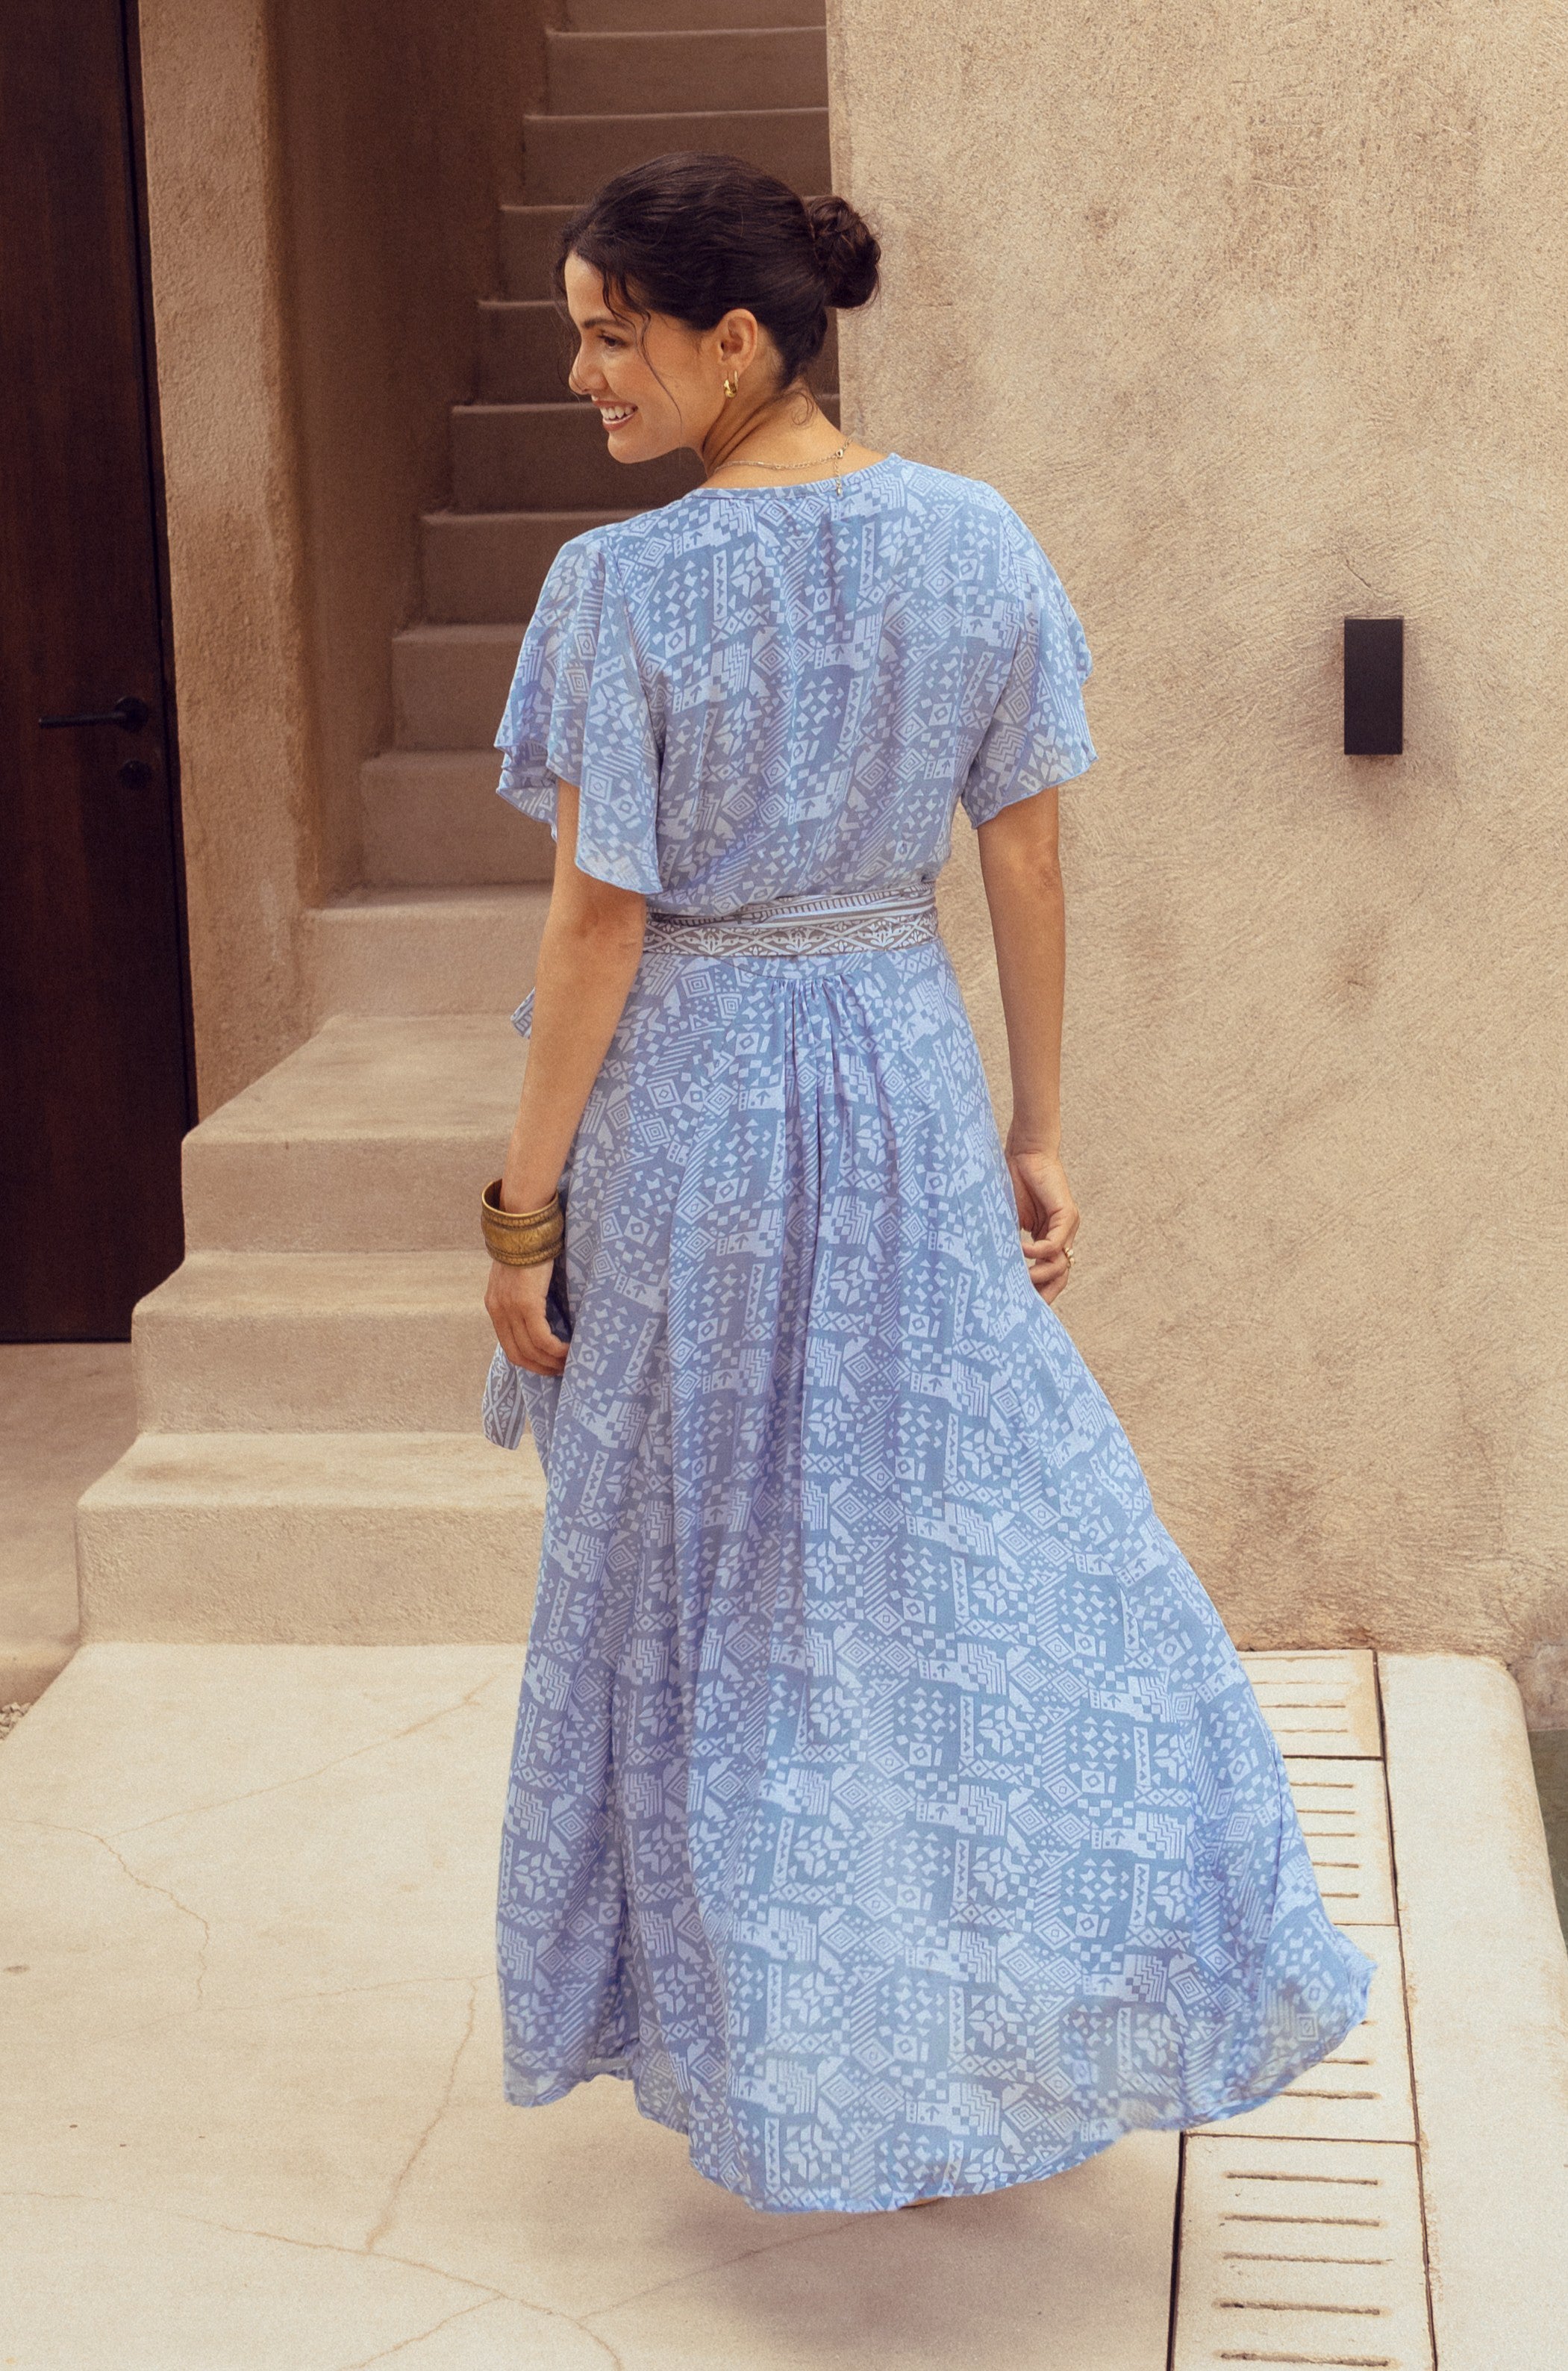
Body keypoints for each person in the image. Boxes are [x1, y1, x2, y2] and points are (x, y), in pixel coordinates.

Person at [479, 152, 1373, 2216]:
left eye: (616, 332)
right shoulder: (976, 543)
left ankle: (807, 2054)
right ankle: (985, 2006)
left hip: (696, 1109)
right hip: (893, 1070)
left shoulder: (620, 590)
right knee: (945, 1551)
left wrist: (523, 1210)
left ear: (737, 339)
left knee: (722, 1579)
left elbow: (596, 928)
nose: (589, 371)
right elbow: (1027, 855)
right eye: (578, 331)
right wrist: (1036, 1127)